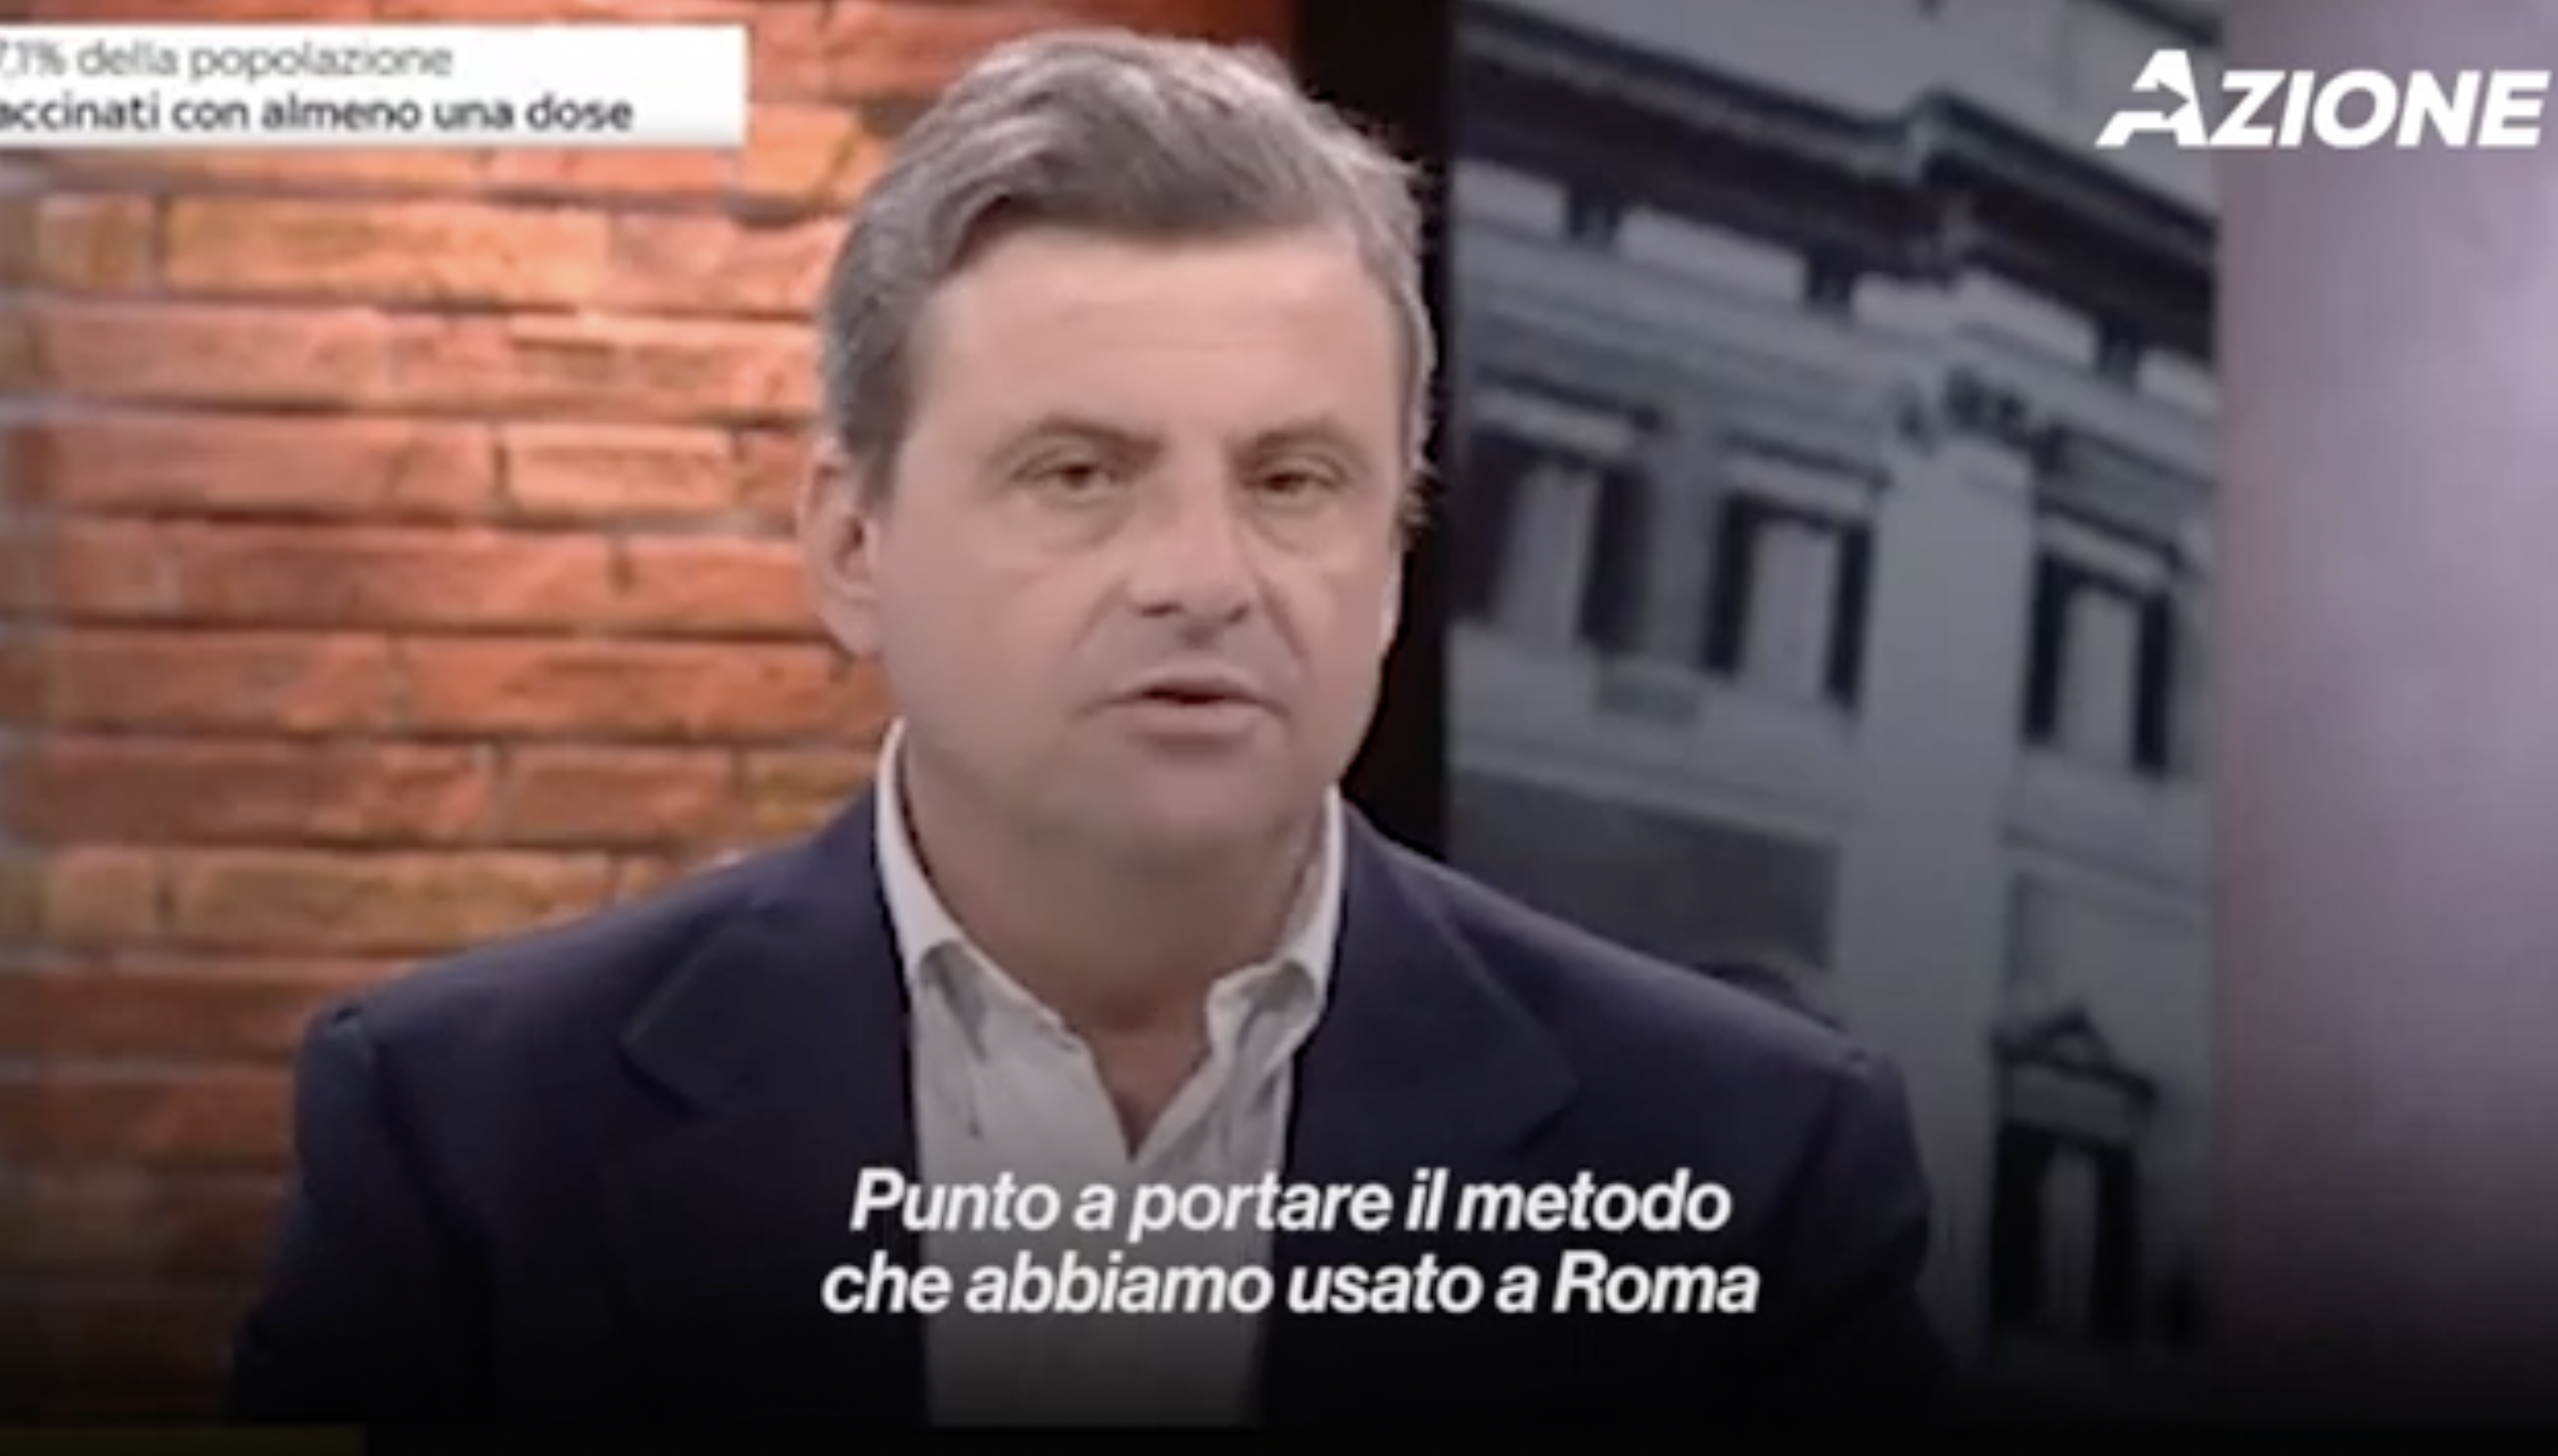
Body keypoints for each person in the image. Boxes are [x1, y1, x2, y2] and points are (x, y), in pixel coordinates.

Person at [224, 28, 1947, 1430]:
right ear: (853, 545)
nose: (1203, 576)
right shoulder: (466, 1133)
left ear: (1394, 560)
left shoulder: (1751, 1162)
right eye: (1078, 472)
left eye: (1294, 480)